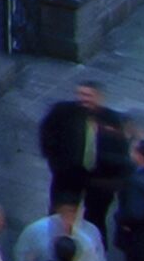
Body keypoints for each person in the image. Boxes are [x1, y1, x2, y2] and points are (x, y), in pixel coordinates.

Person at [36, 79, 128, 226]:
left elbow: (121, 147)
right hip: (67, 175)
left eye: (88, 95)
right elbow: (47, 133)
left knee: (96, 218)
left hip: (98, 179)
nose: (84, 99)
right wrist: (55, 162)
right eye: (81, 94)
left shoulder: (112, 119)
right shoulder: (63, 112)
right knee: (59, 215)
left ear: (99, 97)